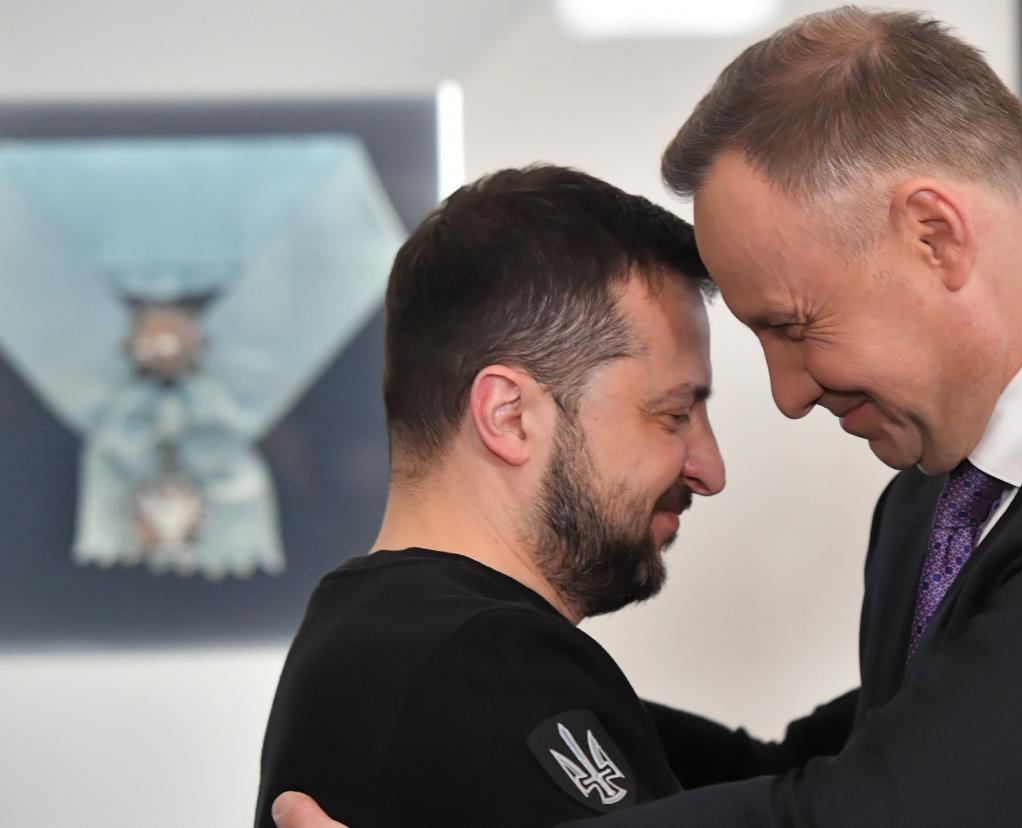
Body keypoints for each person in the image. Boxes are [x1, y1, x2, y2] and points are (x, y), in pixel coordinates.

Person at [273, 6, 1022, 827]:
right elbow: (837, 762)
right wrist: (471, 700)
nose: (788, 394)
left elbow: (874, 809)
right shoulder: (925, 508)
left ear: (935, 235)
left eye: (793, 325)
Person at [254, 165, 725, 827]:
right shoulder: (481, 663)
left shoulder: (394, 636)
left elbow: (791, 771)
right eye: (673, 415)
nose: (709, 468)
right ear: (510, 416)